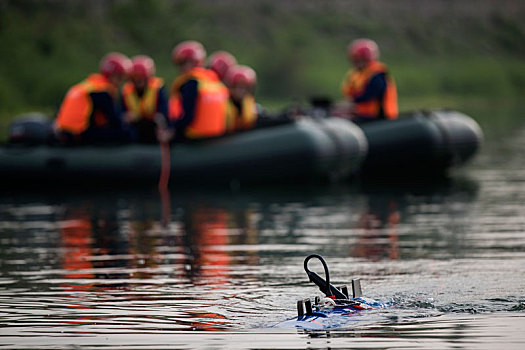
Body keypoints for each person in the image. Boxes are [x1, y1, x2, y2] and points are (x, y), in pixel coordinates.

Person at [54, 52, 134, 144]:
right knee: (127, 134)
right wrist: (126, 119)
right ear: (112, 75)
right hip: (78, 135)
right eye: (119, 78)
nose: (120, 83)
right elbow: (115, 122)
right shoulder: (102, 92)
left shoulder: (87, 85)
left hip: (64, 132)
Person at [164, 40, 229, 142]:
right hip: (216, 136)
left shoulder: (191, 83)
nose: (181, 68)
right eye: (180, 64)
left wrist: (172, 131)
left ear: (194, 62)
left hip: (196, 138)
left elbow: (188, 116)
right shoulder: (216, 82)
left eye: (184, 63)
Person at [341, 38, 398, 123]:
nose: (355, 63)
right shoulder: (356, 75)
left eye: (358, 60)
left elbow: (369, 95)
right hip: (361, 113)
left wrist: (351, 103)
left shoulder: (377, 75)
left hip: (378, 117)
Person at [121, 55, 169, 143]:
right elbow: (121, 113)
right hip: (135, 129)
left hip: (153, 128)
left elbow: (164, 111)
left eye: (141, 79)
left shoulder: (158, 88)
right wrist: (126, 117)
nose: (138, 82)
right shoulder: (126, 91)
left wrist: (159, 117)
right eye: (135, 79)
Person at [225, 65, 258, 133]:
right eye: (239, 87)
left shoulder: (250, 105)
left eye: (246, 88)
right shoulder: (223, 105)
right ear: (231, 86)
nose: (242, 91)